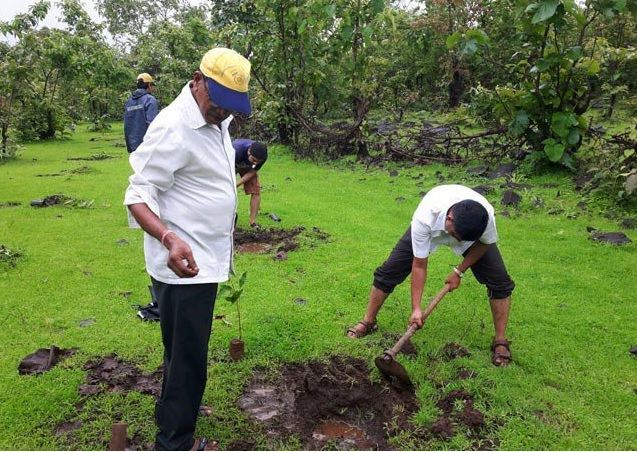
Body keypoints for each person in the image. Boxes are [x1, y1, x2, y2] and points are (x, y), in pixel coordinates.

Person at [124, 47, 252, 450]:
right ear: (197, 80)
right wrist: (169, 237)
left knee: (182, 352)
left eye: (231, 107)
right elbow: (137, 194)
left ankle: (173, 417)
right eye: (218, 104)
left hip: (205, 260)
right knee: (188, 359)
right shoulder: (173, 126)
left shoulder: (214, 116)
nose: (223, 114)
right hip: (185, 264)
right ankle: (175, 440)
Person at [346, 184, 515, 367]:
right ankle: (368, 321)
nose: (456, 242)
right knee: (389, 271)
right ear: (449, 219)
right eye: (455, 236)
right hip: (431, 225)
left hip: (467, 232)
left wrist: (459, 271)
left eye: (462, 240)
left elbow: (484, 244)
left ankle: (500, 341)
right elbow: (419, 265)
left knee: (500, 282)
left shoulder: (485, 216)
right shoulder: (425, 217)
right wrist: (417, 308)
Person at [232, 139, 268, 227]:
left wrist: (237, 183)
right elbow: (227, 169)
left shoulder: (262, 156)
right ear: (248, 152)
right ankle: (228, 217)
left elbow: (253, 171)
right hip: (232, 164)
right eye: (254, 160)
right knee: (227, 190)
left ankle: (253, 222)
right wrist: (231, 184)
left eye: (258, 162)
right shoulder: (235, 150)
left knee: (256, 191)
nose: (255, 163)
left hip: (247, 167)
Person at [124, 72, 159, 153]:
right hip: (146, 143)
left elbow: (127, 124)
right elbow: (151, 123)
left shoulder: (129, 101)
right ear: (149, 85)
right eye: (152, 85)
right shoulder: (150, 99)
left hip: (132, 143)